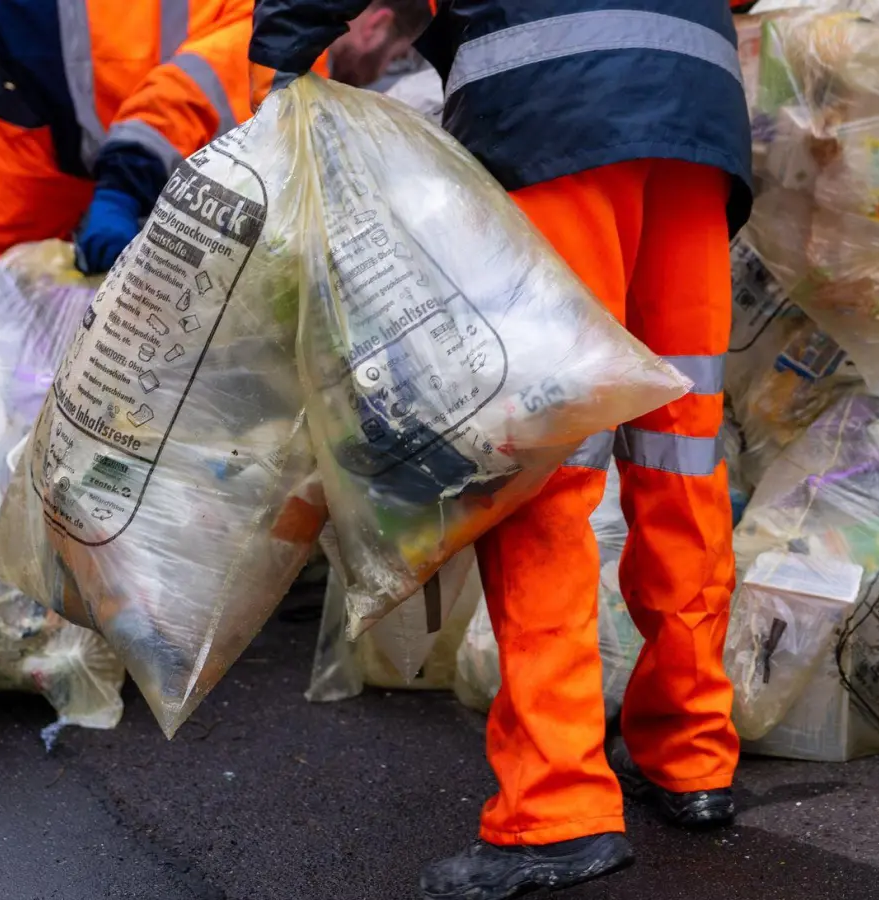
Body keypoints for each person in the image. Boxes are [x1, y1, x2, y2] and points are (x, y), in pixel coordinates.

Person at [250, 2, 753, 898]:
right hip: (695, 111)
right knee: (679, 447)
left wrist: (282, 71)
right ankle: (693, 752)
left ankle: (556, 809)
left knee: (539, 469)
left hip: (550, 105)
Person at [0, 0, 424, 514]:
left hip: (43, 112)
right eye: (393, 54)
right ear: (375, 25)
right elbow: (180, 98)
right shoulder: (295, 35)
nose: (379, 70)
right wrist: (122, 190)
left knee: (19, 340)